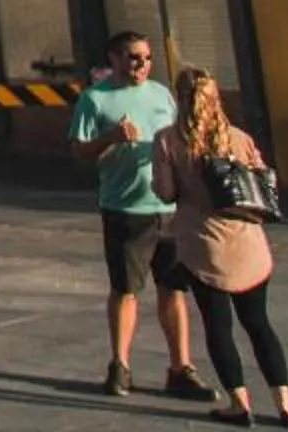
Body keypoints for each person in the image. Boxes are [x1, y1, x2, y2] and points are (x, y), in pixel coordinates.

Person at [152, 66, 288, 427]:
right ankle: (286, 404)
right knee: (259, 324)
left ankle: (239, 403)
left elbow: (167, 192)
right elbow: (263, 181)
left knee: (218, 327)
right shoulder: (239, 138)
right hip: (249, 244)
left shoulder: (168, 140)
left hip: (205, 247)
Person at [70, 31, 209, 401]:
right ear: (113, 59)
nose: (141, 65)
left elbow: (180, 138)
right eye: (133, 58)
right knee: (126, 290)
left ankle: (181, 369)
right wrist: (112, 137)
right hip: (126, 210)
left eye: (146, 58)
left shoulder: (162, 95)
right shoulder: (94, 99)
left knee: (174, 289)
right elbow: (79, 151)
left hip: (168, 208)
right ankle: (120, 365)